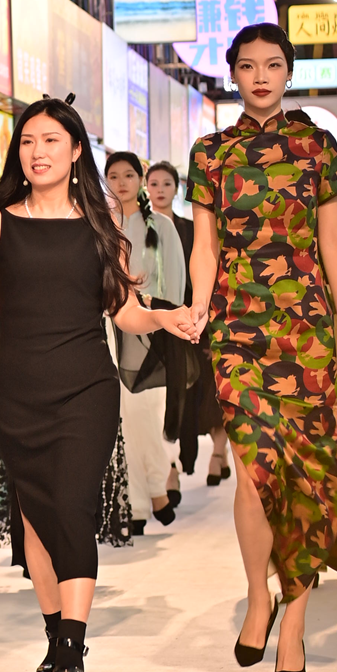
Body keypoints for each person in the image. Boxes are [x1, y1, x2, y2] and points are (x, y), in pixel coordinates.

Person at [0, 96, 197, 672]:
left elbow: (123, 311)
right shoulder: (0, 224)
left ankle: (72, 646)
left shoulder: (102, 226)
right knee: (36, 522)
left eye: (50, 141)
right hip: (19, 395)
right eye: (27, 142)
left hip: (87, 391)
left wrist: (161, 319)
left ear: (74, 152)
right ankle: (55, 632)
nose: (37, 152)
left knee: (71, 509)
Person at [188, 23, 337, 672]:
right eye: (247, 66)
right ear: (232, 73)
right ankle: (257, 595)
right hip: (238, 331)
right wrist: (199, 308)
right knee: (253, 471)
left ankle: (295, 615)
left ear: (289, 72)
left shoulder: (317, 146)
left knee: (309, 473)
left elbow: (334, 241)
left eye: (272, 64)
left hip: (307, 330)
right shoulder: (211, 152)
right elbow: (205, 245)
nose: (260, 76)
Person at [106, 151, 186, 534]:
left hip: (153, 332)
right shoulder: (100, 225)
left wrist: (169, 324)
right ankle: (138, 503)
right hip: (110, 333)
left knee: (145, 417)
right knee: (122, 420)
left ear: (140, 180)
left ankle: (154, 489)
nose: (121, 183)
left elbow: (177, 283)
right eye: (113, 176)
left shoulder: (162, 226)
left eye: (128, 175)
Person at [147, 160, 229, 488]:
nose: (160, 190)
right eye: (154, 184)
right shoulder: (139, 228)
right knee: (164, 396)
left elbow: (208, 276)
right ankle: (170, 468)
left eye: (166, 184)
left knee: (206, 391)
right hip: (152, 323)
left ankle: (217, 453)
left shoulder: (192, 229)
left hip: (194, 319)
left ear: (177, 188)